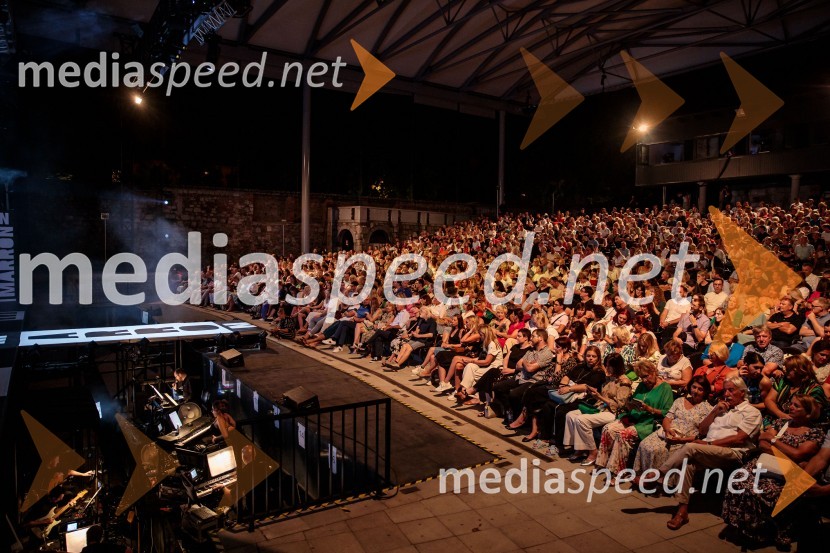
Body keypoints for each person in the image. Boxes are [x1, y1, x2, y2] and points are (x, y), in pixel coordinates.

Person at [653, 376, 762, 530]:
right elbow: (702, 430)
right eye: (725, 390)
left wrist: (708, 443)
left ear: (742, 393)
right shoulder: (721, 408)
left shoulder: (751, 412)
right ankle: (682, 511)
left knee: (691, 447)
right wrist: (715, 411)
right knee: (688, 463)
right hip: (709, 449)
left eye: (731, 390)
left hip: (732, 452)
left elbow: (739, 439)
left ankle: (658, 474)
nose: (727, 394)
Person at [722, 395, 824, 549]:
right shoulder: (782, 422)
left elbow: (799, 454)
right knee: (738, 480)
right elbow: (762, 442)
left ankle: (766, 532)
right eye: (791, 404)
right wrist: (785, 450)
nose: (791, 407)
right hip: (764, 465)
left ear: (808, 413)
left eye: (796, 406)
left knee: (762, 490)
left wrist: (775, 441)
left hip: (787, 472)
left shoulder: (815, 433)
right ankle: (744, 527)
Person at [595, 360, 674, 473]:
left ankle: (618, 471)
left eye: (646, 376)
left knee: (623, 435)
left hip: (648, 422)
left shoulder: (665, 388)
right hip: (635, 417)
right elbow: (635, 400)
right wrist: (630, 405)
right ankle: (602, 463)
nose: (645, 380)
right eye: (642, 378)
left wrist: (649, 409)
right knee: (608, 429)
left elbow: (667, 412)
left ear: (654, 372)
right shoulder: (642, 385)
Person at [633, 376, 713, 480]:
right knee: (645, 444)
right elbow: (667, 418)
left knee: (657, 450)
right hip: (668, 432)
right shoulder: (680, 401)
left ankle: (655, 480)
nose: (696, 391)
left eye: (700, 389)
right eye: (694, 387)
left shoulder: (708, 409)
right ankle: (642, 474)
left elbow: (702, 435)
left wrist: (681, 439)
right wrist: (667, 430)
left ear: (705, 392)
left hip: (684, 439)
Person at [562, 353, 632, 465]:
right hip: (600, 407)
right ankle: (579, 448)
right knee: (570, 415)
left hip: (613, 412)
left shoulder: (623, 382)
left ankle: (593, 452)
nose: (607, 368)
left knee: (582, 420)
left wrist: (599, 397)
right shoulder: (610, 378)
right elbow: (604, 395)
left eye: (609, 366)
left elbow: (620, 405)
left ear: (616, 366)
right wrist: (595, 394)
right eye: (606, 365)